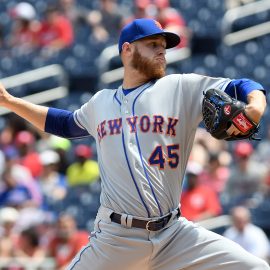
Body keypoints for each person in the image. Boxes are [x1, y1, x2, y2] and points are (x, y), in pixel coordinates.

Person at [0, 17, 268, 270]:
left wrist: (256, 104)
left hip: (174, 234)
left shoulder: (180, 87)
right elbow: (64, 123)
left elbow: (242, 84)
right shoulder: (100, 103)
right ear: (127, 50)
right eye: (153, 45)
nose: (162, 51)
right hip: (116, 238)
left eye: (163, 46)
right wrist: (10, 102)